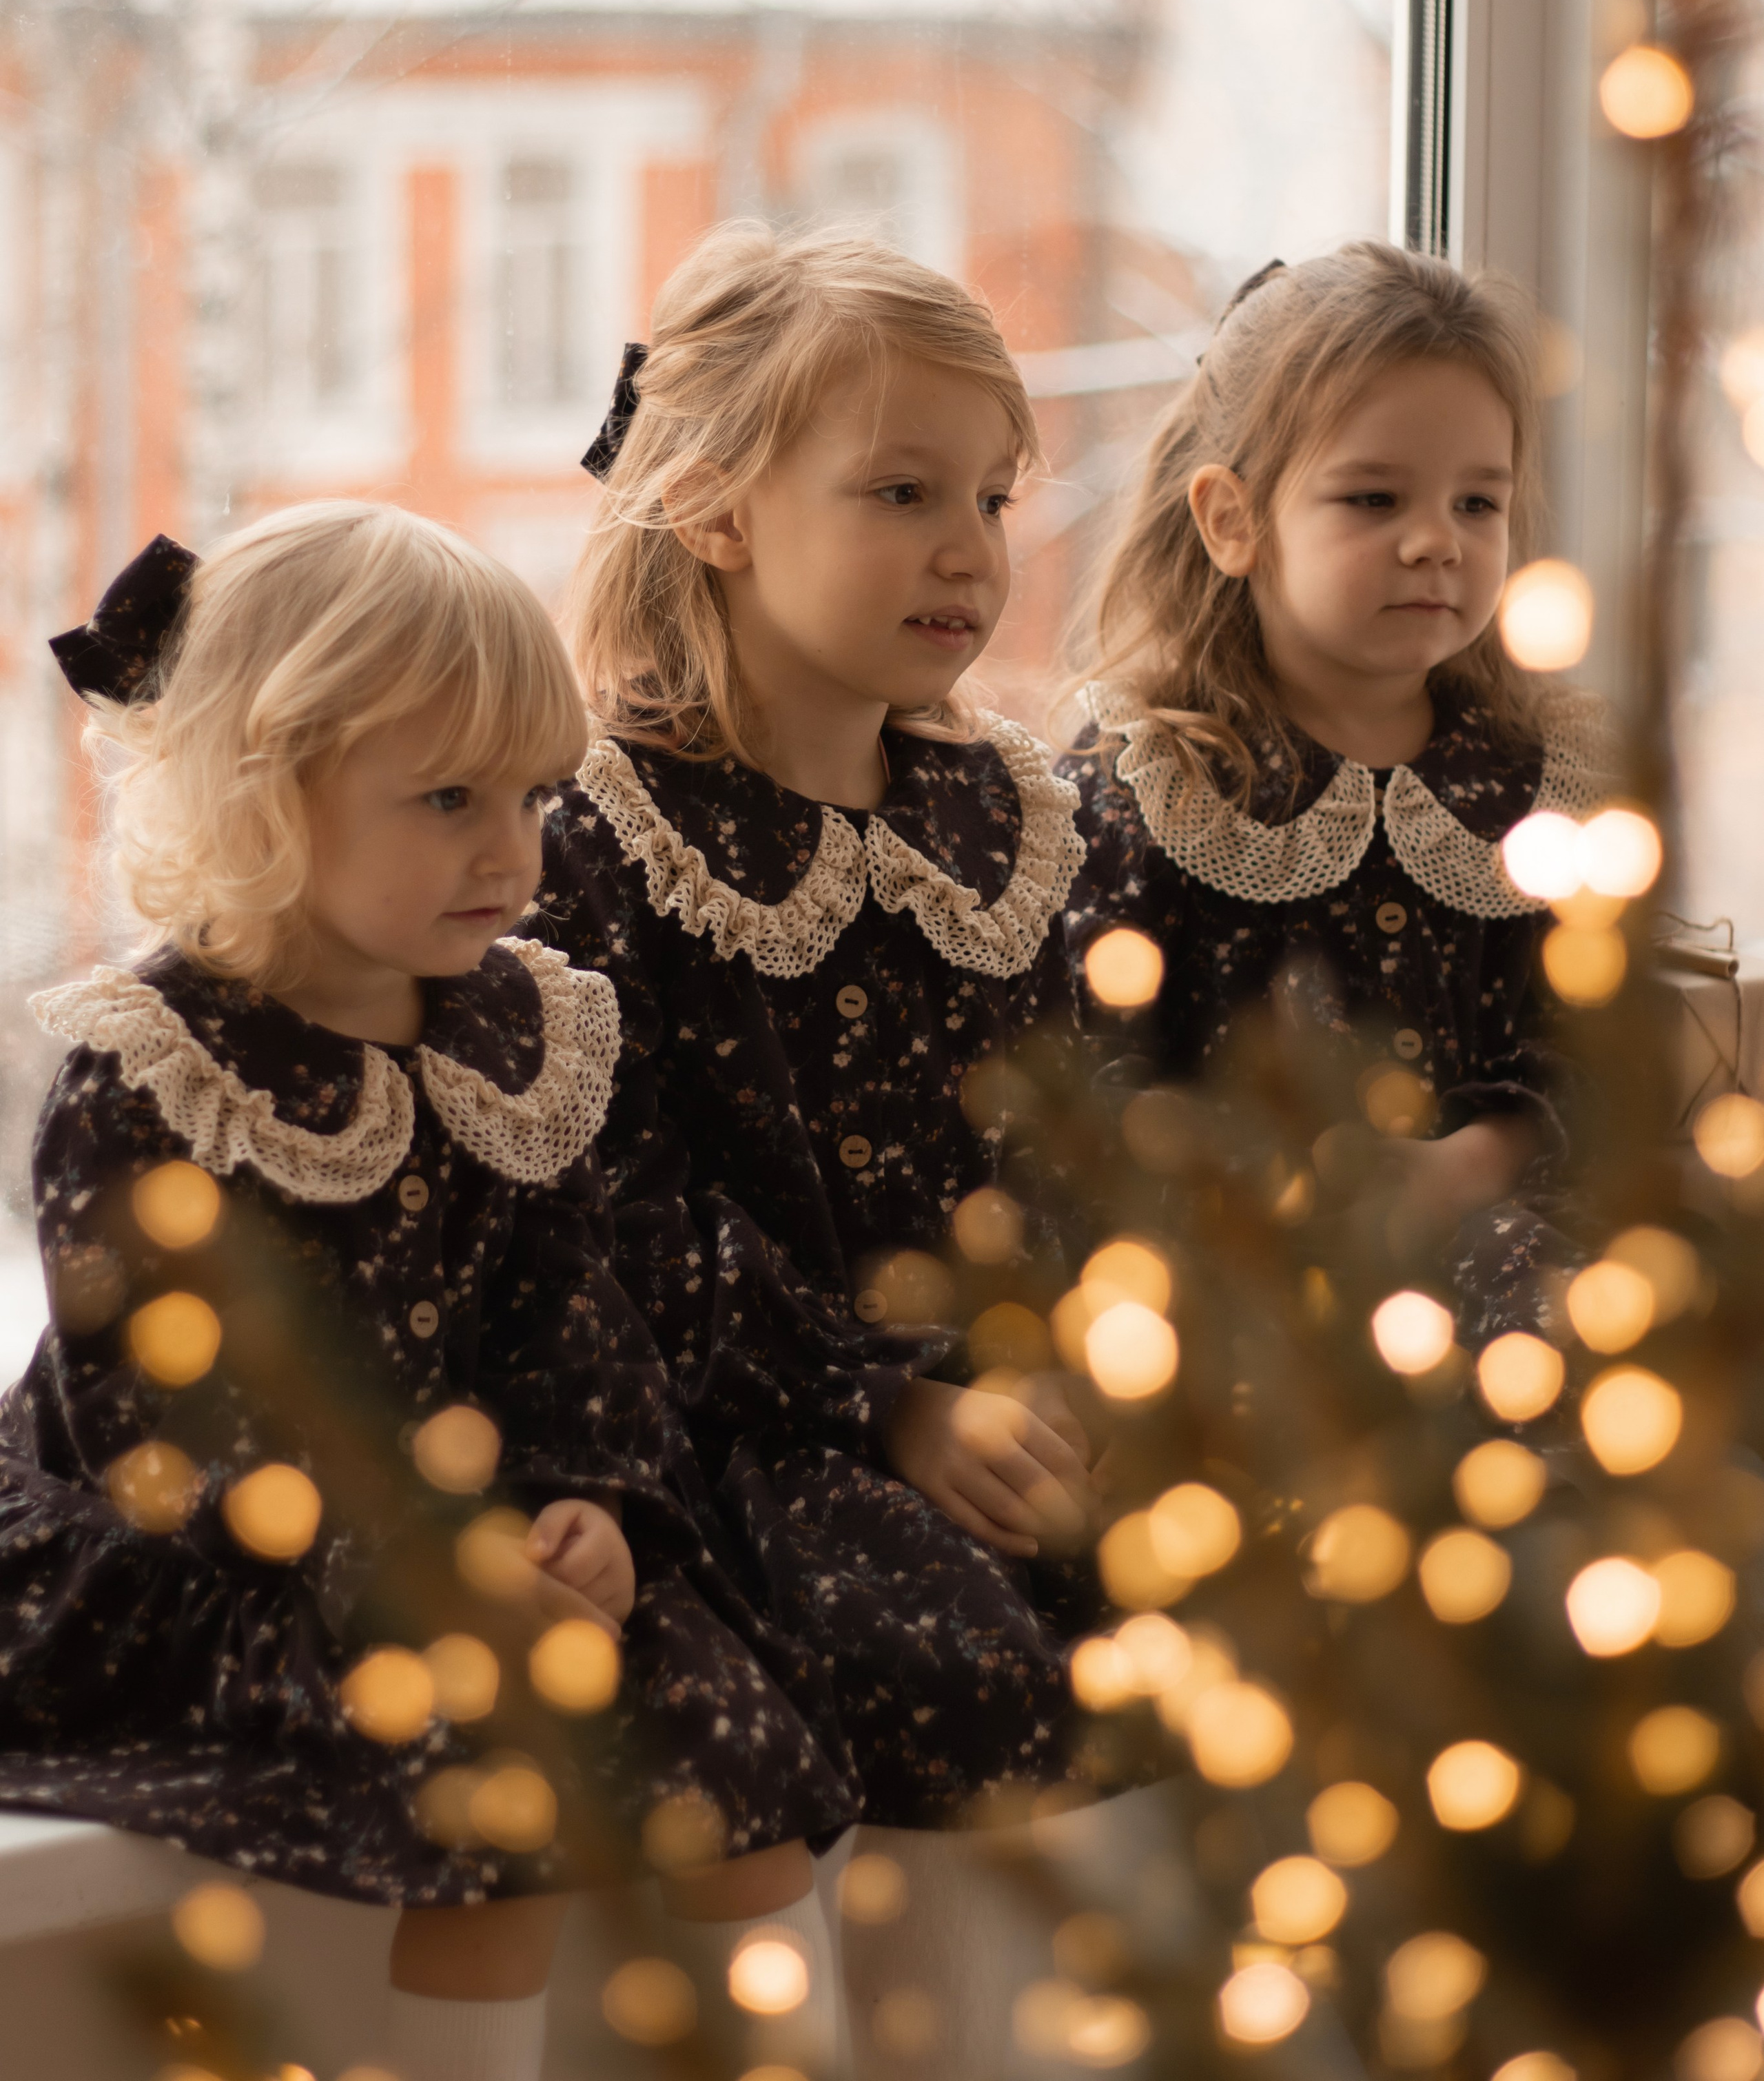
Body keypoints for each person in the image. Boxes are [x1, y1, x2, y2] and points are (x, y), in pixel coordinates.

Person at [0, 504, 859, 2081]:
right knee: (496, 1806)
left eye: (533, 795)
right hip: (240, 1556)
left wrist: (584, 1499)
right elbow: (170, 1408)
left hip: (483, 1527)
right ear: (268, 795)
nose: (512, 853)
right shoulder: (155, 1077)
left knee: (744, 1772)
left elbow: (562, 1313)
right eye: (449, 799)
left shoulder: (512, 1031)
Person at [526, 224, 1110, 2067]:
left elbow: (1070, 1134)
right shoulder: (600, 841)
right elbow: (620, 1216)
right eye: (902, 491)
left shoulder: (1003, 816)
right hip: (760, 1422)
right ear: (713, 510)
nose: (970, 550)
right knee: (953, 1661)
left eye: (995, 497)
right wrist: (895, 1409)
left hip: (1017, 1382)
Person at [1060, 243, 1611, 1302]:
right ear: (1233, 520)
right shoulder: (1155, 782)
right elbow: (1088, 1085)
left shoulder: (1540, 783)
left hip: (1515, 1260)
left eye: (1476, 505)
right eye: (1373, 500)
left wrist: (1464, 1168)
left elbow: (1587, 1057)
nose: (1435, 544)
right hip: (1245, 1290)